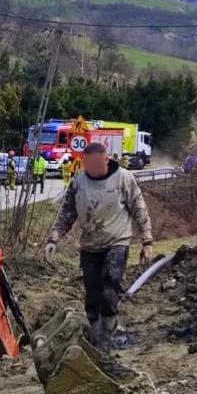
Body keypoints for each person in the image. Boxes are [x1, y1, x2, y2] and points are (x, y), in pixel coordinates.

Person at [43, 142, 154, 353]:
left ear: (106, 160)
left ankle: (106, 339)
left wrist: (146, 242)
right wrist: (53, 239)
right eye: (86, 165)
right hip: (90, 246)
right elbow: (67, 213)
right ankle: (95, 338)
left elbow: (140, 210)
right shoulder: (79, 181)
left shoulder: (123, 179)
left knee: (110, 283)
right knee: (92, 294)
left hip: (117, 241)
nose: (90, 169)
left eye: (94, 164)